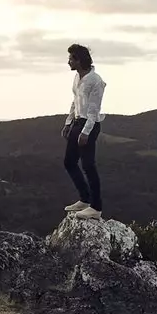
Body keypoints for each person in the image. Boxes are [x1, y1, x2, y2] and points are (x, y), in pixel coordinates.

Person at [61, 43, 106, 219]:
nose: (68, 62)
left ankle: (96, 208)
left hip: (89, 125)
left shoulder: (96, 81)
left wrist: (86, 132)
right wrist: (68, 122)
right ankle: (85, 199)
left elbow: (94, 110)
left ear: (79, 60)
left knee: (88, 166)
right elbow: (75, 101)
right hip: (78, 122)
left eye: (71, 58)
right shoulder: (77, 78)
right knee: (69, 162)